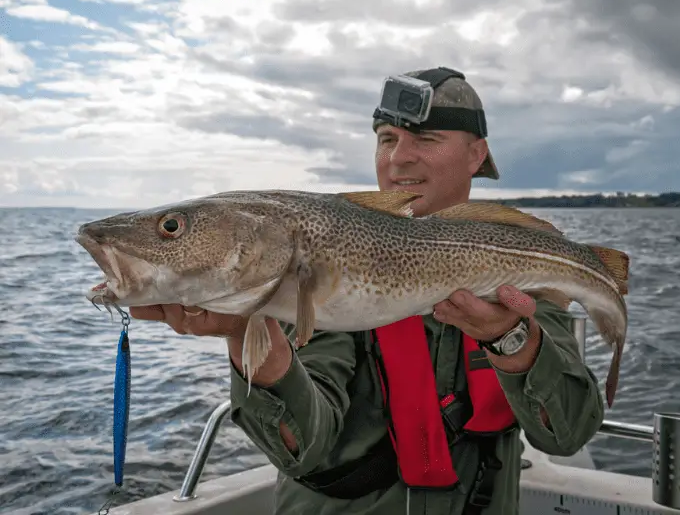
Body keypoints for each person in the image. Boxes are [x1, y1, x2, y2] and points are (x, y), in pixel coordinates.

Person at [129, 67, 605, 515]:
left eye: (426, 138)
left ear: (476, 155)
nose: (399, 158)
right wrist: (256, 347)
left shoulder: (523, 265)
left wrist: (515, 343)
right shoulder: (323, 261)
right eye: (387, 139)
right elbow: (301, 447)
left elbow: (568, 434)